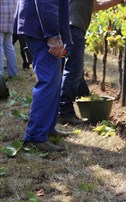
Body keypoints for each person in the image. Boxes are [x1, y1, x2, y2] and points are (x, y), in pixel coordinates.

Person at [58, 0, 126, 125]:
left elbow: (98, 5)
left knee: (76, 69)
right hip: (73, 28)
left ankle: (84, 97)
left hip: (72, 28)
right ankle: (65, 111)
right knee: (73, 70)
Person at [15, 0, 72, 152]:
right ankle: (35, 136)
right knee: (48, 82)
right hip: (41, 31)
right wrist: (52, 35)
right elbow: (46, 2)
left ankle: (47, 127)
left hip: (38, 28)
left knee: (54, 81)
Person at [0, 0, 18, 78]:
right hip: (11, 23)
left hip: (1, 22)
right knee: (10, 48)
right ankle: (13, 74)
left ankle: (0, 74)